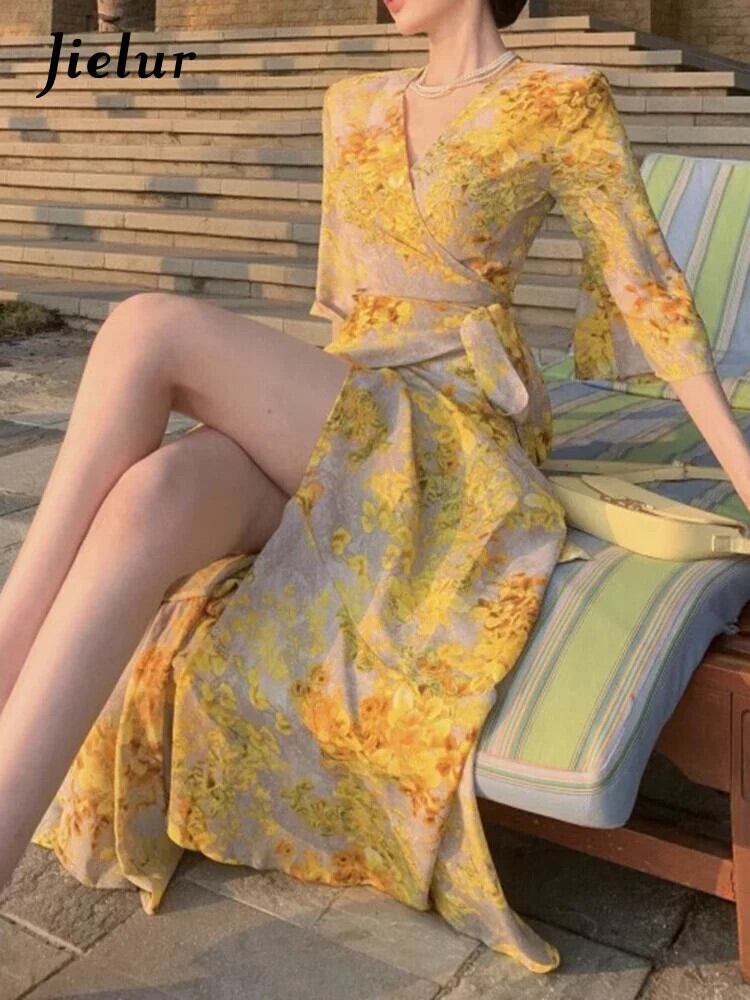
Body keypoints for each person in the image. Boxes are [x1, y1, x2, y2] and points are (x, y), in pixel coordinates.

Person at [1, 0, 749, 978]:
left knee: (146, 329)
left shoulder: (560, 100)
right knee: (158, 492)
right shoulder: (350, 103)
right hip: (356, 416)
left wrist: (743, 473)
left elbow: (651, 297)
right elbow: (347, 319)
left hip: (458, 440)